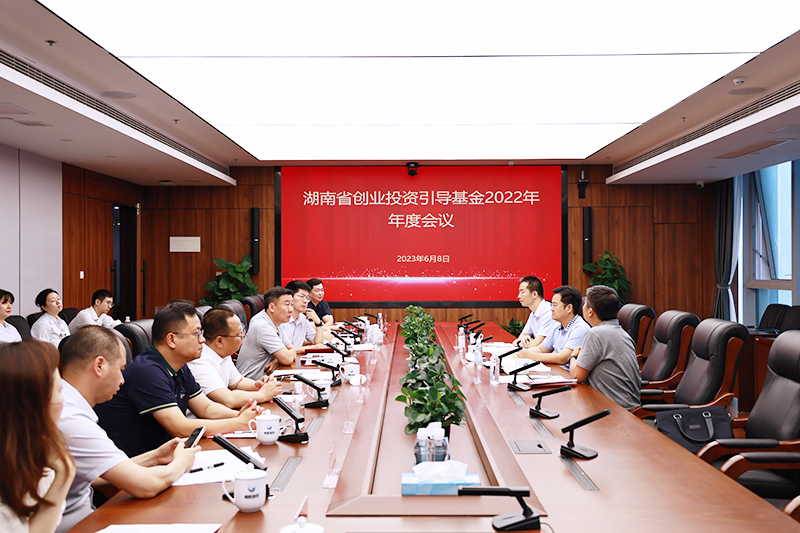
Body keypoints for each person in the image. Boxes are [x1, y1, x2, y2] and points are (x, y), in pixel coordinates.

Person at [57, 326, 198, 533]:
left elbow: (90, 474)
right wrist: (181, 463)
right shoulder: (70, 418)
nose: (123, 380)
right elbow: (146, 485)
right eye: (121, 369)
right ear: (99, 366)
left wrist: (154, 457)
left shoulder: (65, 403)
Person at [94, 302, 260, 457]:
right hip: (131, 466)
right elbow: (180, 428)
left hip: (163, 457)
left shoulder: (179, 367)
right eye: (196, 334)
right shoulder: (147, 371)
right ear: (172, 340)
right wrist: (238, 423)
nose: (203, 340)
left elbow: (206, 408)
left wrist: (241, 416)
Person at [0, 339, 75, 533]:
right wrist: (65, 472)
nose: (63, 401)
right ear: (33, 405)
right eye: (59, 391)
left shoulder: (35, 453)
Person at [188, 307, 282, 409]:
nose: (243, 337)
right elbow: (228, 400)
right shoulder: (200, 362)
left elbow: (238, 382)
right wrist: (263, 394)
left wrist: (258, 385)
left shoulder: (223, 352)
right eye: (239, 334)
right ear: (219, 341)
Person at [569, 286, 641, 410]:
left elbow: (577, 376)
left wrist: (573, 356)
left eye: (585, 304)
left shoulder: (595, 334)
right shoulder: (623, 333)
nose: (583, 307)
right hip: (623, 405)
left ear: (590, 312)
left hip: (613, 409)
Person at [517, 285, 590, 364]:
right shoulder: (557, 326)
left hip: (566, 371)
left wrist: (530, 355)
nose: (551, 309)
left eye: (555, 305)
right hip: (555, 369)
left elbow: (562, 358)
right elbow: (541, 349)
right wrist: (520, 353)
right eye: (551, 305)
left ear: (569, 308)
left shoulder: (580, 328)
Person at [236, 286, 296, 380]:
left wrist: (277, 361)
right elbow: (287, 359)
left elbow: (292, 349)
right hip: (252, 383)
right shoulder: (263, 326)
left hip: (267, 379)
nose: (291, 309)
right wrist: (282, 359)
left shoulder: (276, 322)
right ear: (271, 307)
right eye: (287, 304)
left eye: (292, 304)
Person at [279, 281, 326, 355]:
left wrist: (318, 323)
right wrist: (311, 348)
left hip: (295, 359)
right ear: (290, 297)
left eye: (307, 298)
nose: (305, 301)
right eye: (301, 296)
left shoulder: (303, 318)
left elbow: (317, 342)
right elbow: (282, 350)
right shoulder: (280, 319)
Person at [512, 276, 556, 349]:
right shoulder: (534, 313)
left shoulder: (548, 311)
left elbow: (536, 344)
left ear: (534, 294)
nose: (519, 296)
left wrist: (519, 343)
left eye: (522, 292)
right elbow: (520, 337)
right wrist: (522, 339)